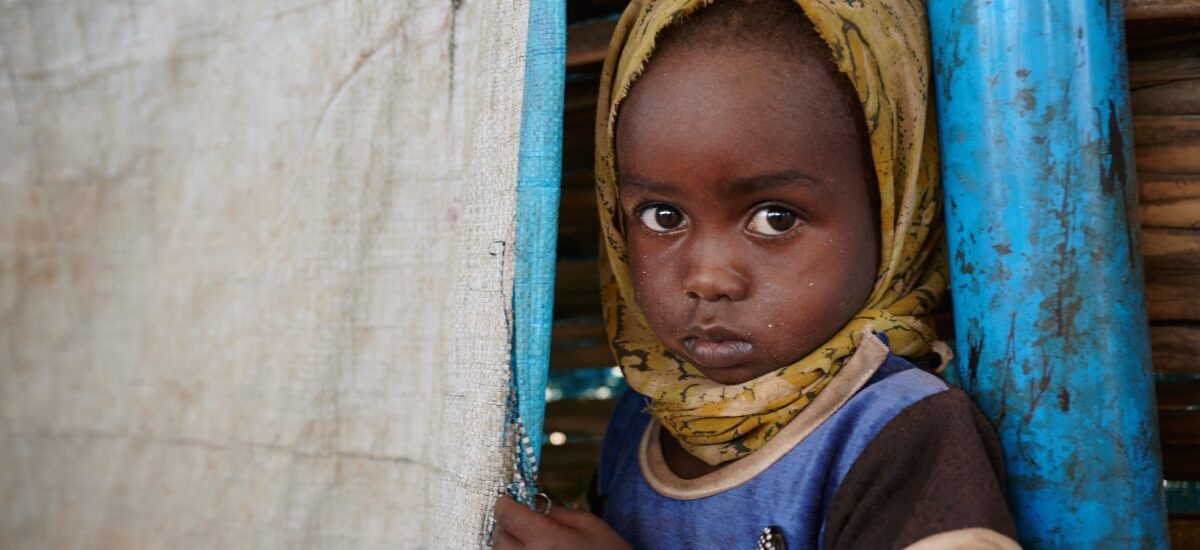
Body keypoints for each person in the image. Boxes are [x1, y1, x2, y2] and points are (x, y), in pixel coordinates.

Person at [494, 0, 1019, 548]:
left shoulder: (899, 432)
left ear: (894, 213)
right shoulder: (647, 419)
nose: (707, 278)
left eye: (776, 218)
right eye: (662, 217)